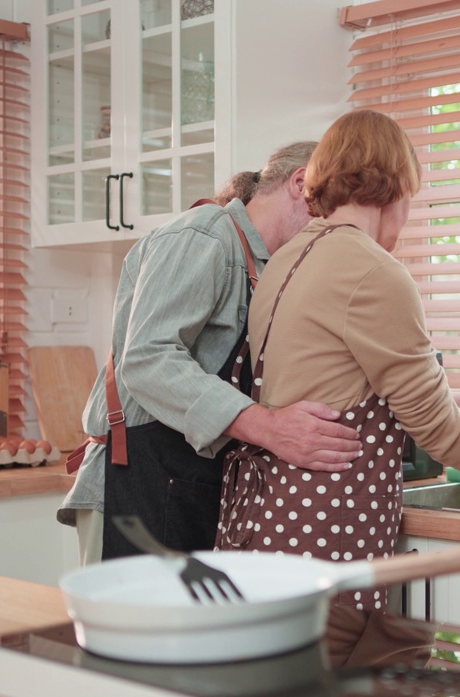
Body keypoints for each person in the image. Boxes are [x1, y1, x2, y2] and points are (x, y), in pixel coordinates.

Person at [216, 110, 460, 610]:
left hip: (269, 516)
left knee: (290, 682)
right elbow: (437, 431)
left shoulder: (288, 258)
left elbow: (355, 391)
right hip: (329, 524)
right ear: (394, 188)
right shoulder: (373, 271)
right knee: (343, 680)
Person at [59, 143, 363, 564]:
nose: (332, 234)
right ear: (301, 183)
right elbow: (148, 359)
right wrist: (270, 428)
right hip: (138, 487)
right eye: (331, 215)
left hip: (188, 489)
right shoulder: (206, 234)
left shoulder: (263, 267)